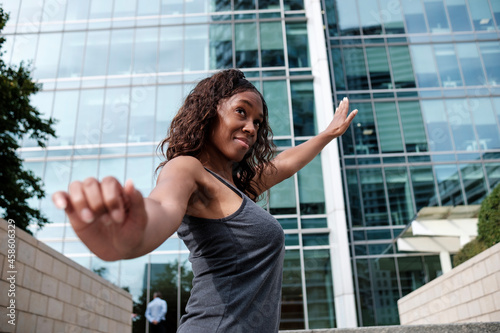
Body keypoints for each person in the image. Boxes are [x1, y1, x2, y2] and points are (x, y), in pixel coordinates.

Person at [52, 69, 357, 332]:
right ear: (211, 110)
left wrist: (328, 134)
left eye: (258, 122)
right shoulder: (187, 168)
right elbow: (161, 206)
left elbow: (285, 164)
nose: (251, 128)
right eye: (242, 112)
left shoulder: (237, 187)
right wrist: (128, 238)